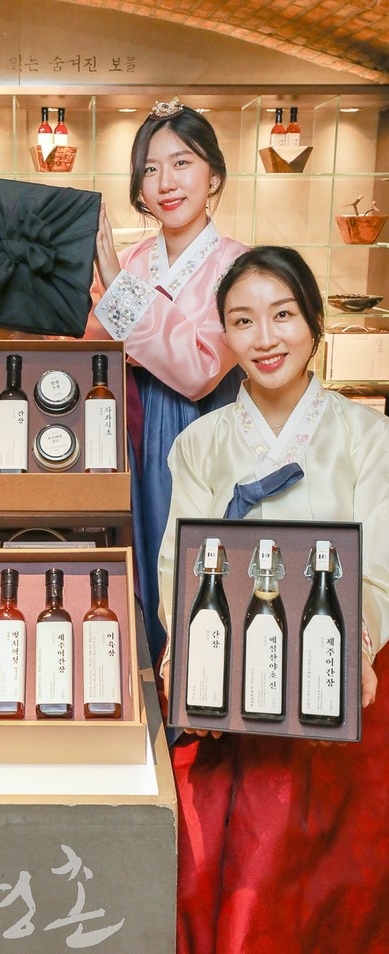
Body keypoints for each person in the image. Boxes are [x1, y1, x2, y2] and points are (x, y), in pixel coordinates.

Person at [158, 246, 389, 953]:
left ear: (314, 320)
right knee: (222, 877)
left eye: (282, 315)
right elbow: (177, 563)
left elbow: (378, 565)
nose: (265, 338)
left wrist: (353, 649)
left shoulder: (367, 435)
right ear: (224, 334)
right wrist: (186, 657)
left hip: (342, 682)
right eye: (242, 320)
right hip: (235, 694)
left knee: (335, 886)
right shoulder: (199, 442)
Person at [0, 97, 248, 664]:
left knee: (191, 569)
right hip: (121, 429)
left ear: (214, 175)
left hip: (196, 429)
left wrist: (113, 277)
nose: (165, 182)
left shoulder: (236, 265)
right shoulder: (136, 258)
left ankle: (193, 696)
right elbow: (85, 339)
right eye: (150, 168)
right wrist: (13, 331)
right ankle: (142, 692)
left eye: (182, 163)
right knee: (130, 569)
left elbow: (197, 370)